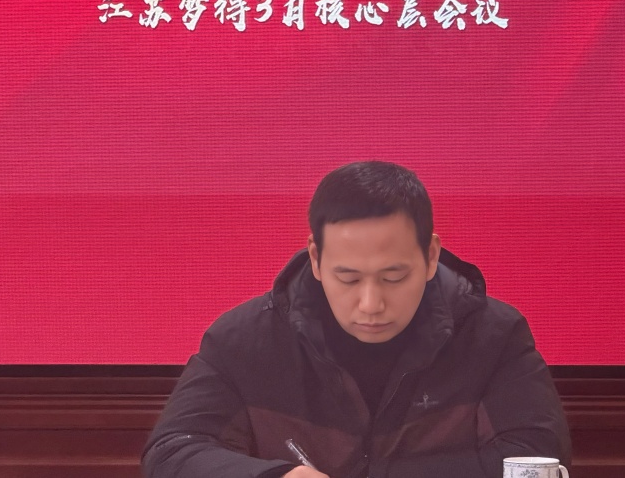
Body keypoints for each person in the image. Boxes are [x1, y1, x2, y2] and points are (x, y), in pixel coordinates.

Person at [142, 161, 570, 478]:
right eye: (347, 278)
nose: (370, 304)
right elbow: (172, 451)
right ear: (315, 258)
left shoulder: (494, 336)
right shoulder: (245, 340)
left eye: (393, 277)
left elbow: (536, 456)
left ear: (430, 256)